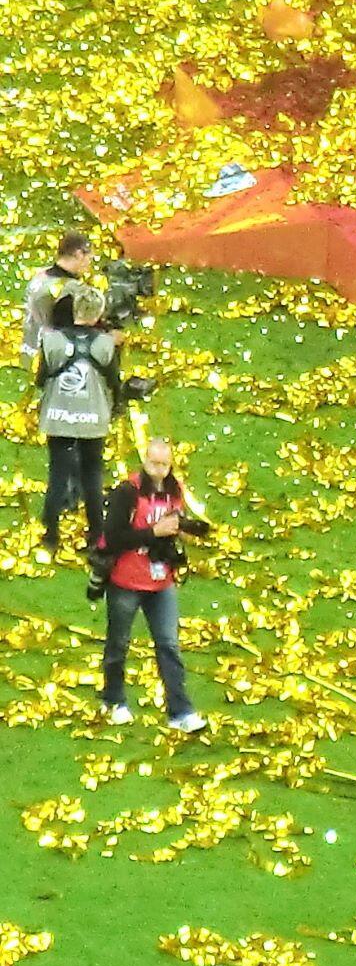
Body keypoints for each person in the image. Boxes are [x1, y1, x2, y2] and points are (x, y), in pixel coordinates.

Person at [93, 438, 210, 733]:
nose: (158, 470)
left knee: (169, 645)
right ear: (144, 461)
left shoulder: (175, 491)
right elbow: (114, 536)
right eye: (153, 463)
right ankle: (113, 699)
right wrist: (152, 532)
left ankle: (180, 711)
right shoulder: (126, 492)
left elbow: (173, 526)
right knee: (118, 643)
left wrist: (184, 531)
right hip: (126, 580)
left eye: (164, 464)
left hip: (161, 581)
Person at [37, 284, 117, 554]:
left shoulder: (52, 340)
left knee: (57, 472)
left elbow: (42, 377)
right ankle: (96, 534)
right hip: (93, 416)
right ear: (98, 312)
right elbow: (114, 381)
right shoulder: (106, 343)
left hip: (59, 413)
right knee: (92, 475)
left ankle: (50, 533)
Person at [22, 231, 94, 370]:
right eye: (89, 259)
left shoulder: (39, 277)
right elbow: (70, 330)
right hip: (52, 360)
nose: (88, 265)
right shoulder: (70, 289)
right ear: (79, 254)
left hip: (29, 351)